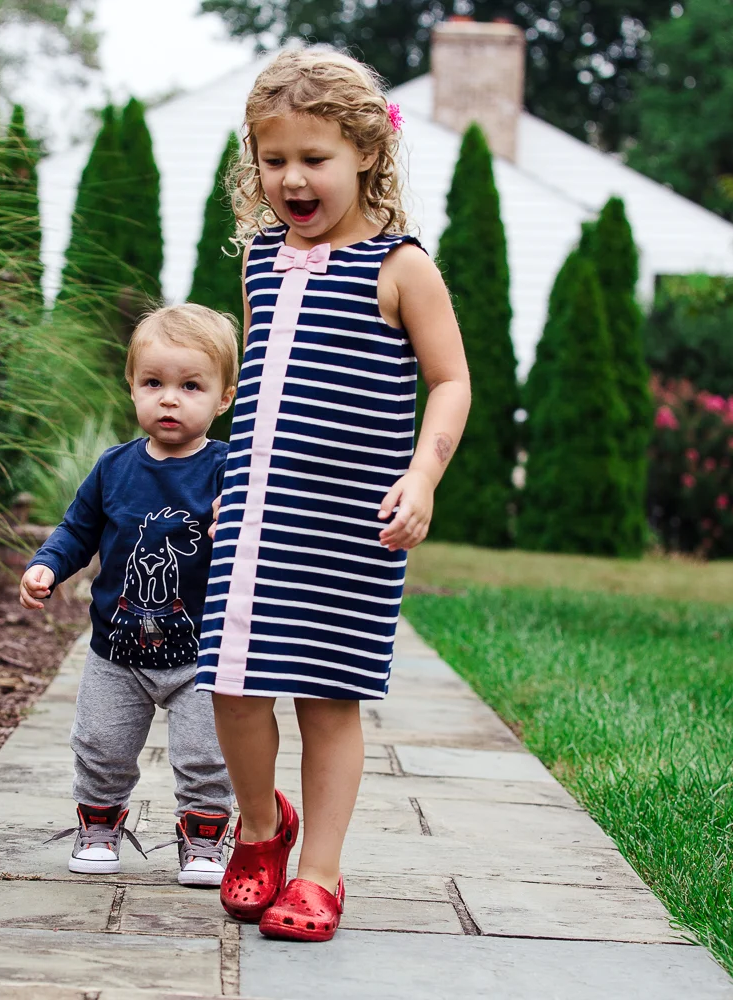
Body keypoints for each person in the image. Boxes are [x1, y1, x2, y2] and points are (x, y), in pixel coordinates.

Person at [195, 49, 471, 942]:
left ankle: (319, 874)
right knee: (233, 689)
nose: (293, 179)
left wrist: (422, 474)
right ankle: (265, 828)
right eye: (275, 160)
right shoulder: (261, 260)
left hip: (349, 527)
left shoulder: (402, 267)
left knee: (327, 697)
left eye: (315, 158)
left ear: (365, 155)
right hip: (254, 516)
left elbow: (452, 381)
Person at [20, 304, 239, 887]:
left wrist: (238, 520)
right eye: (154, 383)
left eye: (191, 386)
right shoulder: (114, 468)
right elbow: (77, 530)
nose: (170, 399)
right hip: (116, 652)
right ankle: (99, 827)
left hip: (204, 651)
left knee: (206, 755)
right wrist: (48, 565)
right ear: (133, 388)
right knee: (101, 744)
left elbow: (262, 532)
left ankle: (204, 839)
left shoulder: (230, 468)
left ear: (223, 397)